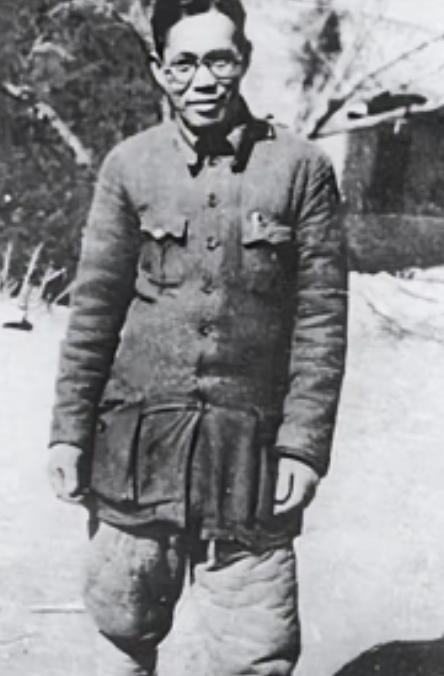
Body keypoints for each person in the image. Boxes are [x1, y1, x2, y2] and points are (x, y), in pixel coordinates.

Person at [47, 1, 348, 674]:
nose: (203, 79)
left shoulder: (301, 169)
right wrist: (68, 432)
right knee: (120, 629)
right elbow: (94, 312)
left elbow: (322, 321)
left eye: (219, 59)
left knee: (256, 652)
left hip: (251, 456)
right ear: (159, 69)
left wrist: (303, 446)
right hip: (137, 449)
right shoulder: (129, 167)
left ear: (243, 60)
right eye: (184, 63)